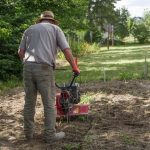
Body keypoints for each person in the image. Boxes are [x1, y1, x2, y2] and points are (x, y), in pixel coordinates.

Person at [18, 10, 80, 143]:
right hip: (44, 69)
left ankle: (28, 134)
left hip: (27, 68)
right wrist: (74, 67)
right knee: (49, 104)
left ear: (41, 20)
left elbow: (20, 52)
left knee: (29, 103)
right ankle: (50, 135)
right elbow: (66, 50)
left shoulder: (29, 29)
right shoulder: (55, 29)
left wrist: (29, 63)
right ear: (52, 20)